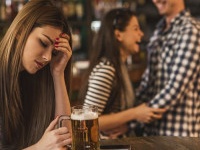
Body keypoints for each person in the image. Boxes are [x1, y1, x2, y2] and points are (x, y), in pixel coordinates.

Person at [78, 8, 166, 139]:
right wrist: (135, 113)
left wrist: (126, 124)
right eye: (135, 29)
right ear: (118, 35)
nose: (141, 34)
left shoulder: (119, 66)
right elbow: (86, 121)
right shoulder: (106, 69)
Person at [0, 0, 73, 149]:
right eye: (43, 43)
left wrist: (58, 74)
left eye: (54, 52)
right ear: (21, 31)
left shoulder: (37, 78)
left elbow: (64, 138)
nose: (48, 57)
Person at [136, 0, 200, 137]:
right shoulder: (158, 31)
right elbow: (147, 82)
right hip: (153, 133)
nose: (156, 0)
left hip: (178, 136)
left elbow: (175, 88)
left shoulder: (191, 30)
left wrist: (132, 120)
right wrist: (130, 114)